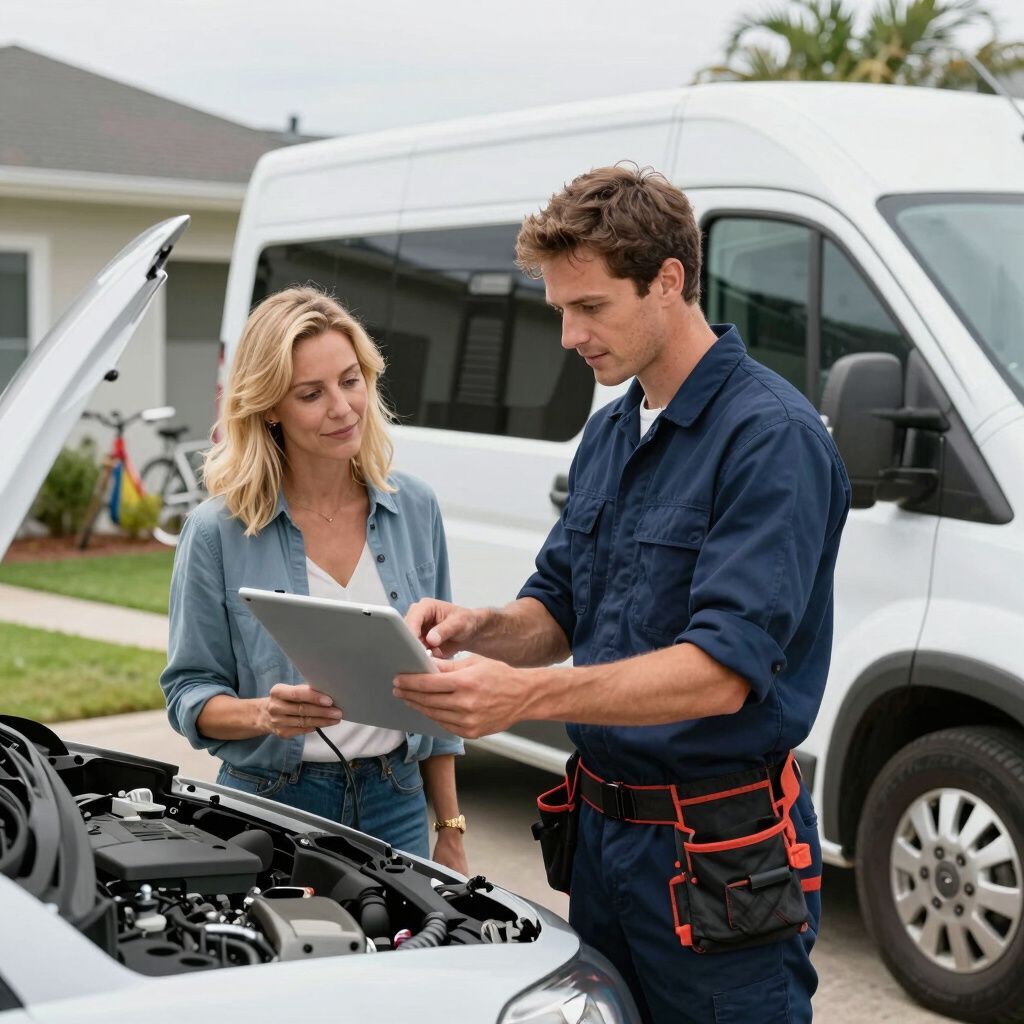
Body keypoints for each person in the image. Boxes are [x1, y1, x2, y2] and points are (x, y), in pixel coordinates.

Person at [394, 165, 851, 1021]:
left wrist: (522, 695)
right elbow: (558, 607)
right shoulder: (612, 429)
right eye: (560, 309)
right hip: (602, 844)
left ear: (668, 282)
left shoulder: (771, 440)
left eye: (591, 307)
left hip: (719, 854)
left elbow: (721, 672)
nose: (569, 336)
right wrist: (479, 629)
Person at [160, 287, 467, 873]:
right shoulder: (216, 533)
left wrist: (449, 825)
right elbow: (188, 693)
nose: (342, 407)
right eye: (311, 393)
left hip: (397, 798)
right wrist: (262, 715)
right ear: (270, 406)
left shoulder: (415, 509)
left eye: (351, 381)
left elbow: (439, 685)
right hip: (273, 802)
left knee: (408, 961)